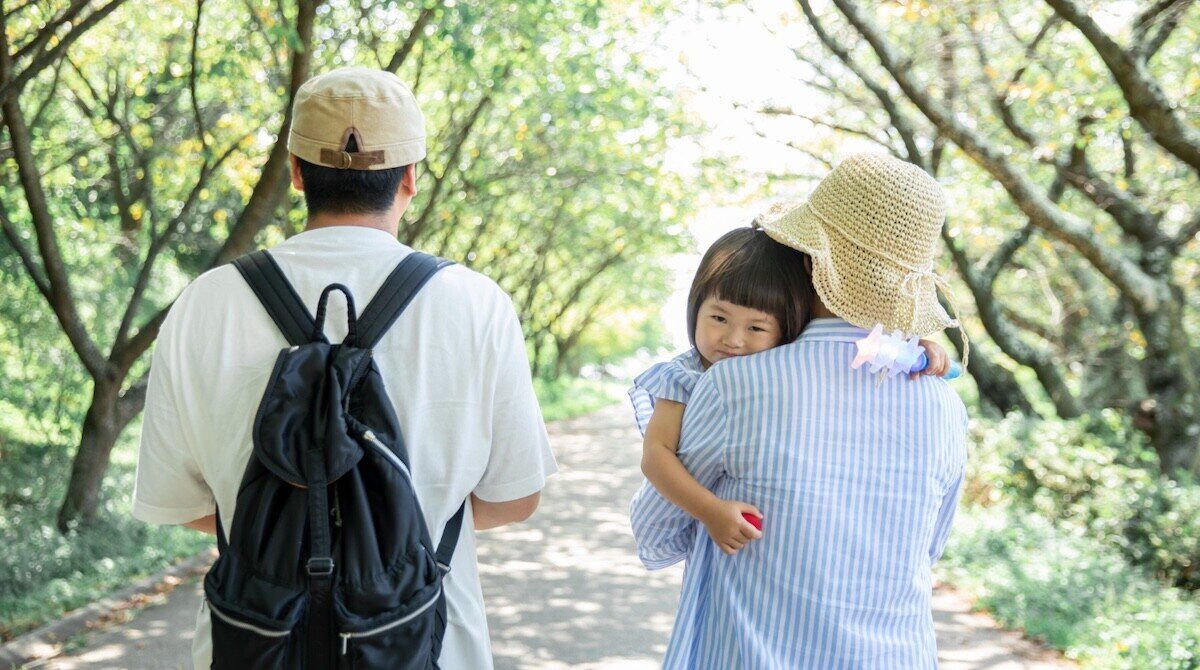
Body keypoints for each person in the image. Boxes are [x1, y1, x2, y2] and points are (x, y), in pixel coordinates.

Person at [131, 67, 556, 669]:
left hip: (255, 644)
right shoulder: (476, 303)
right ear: (411, 176)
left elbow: (183, 502)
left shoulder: (206, 301)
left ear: (298, 172)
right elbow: (515, 498)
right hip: (429, 643)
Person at [629, 153, 970, 668]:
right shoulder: (944, 403)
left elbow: (657, 530)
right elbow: (929, 550)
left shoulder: (733, 384)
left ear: (810, 259)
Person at [629, 227, 951, 556]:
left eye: (755, 327)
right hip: (705, 517)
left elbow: (852, 342)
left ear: (785, 327)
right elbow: (655, 457)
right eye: (718, 318)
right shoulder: (683, 376)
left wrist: (916, 347)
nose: (733, 339)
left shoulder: (779, 361)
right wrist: (709, 510)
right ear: (695, 308)